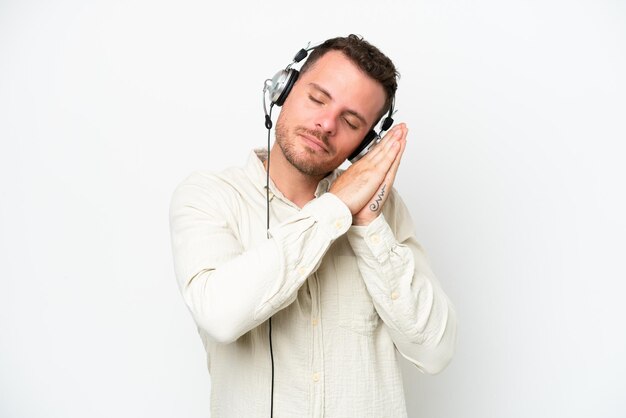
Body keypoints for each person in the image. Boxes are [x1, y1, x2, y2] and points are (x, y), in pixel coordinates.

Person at [169, 34, 457, 418]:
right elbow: (221, 315)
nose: (325, 124)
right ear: (283, 89)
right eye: (317, 99)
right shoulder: (209, 196)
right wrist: (335, 207)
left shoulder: (384, 210)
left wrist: (366, 221)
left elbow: (434, 351)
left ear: (364, 144)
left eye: (351, 120)